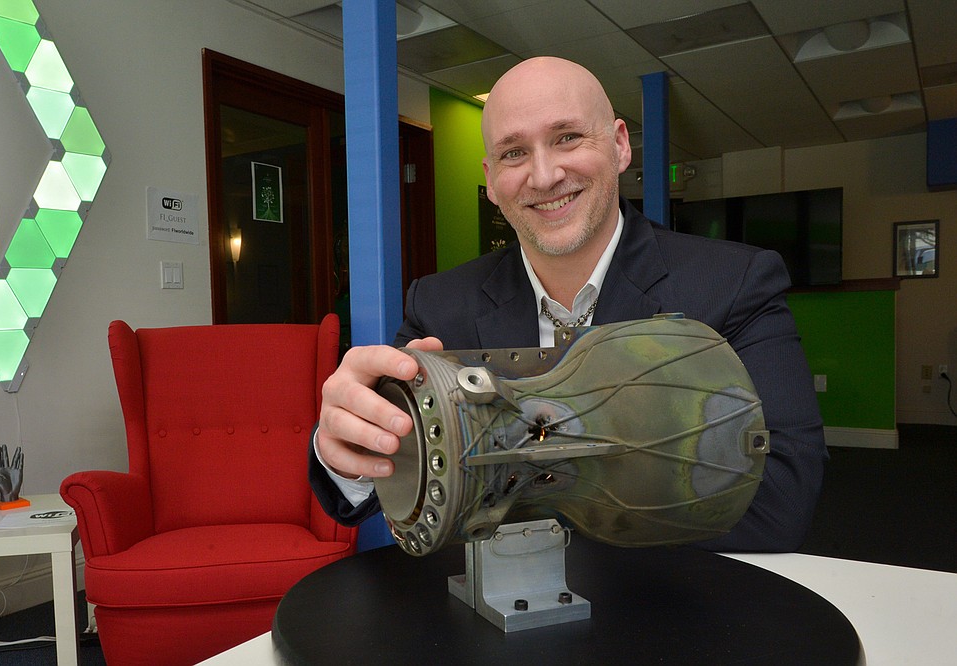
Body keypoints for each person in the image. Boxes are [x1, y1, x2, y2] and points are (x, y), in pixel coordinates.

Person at [309, 57, 827, 552]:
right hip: (489, 630)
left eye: (568, 138)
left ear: (620, 146)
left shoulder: (733, 284)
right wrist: (350, 452)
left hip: (672, 614)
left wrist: (522, 494)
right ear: (491, 180)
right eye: (514, 153)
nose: (544, 175)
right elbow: (392, 479)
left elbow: (783, 495)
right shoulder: (441, 305)